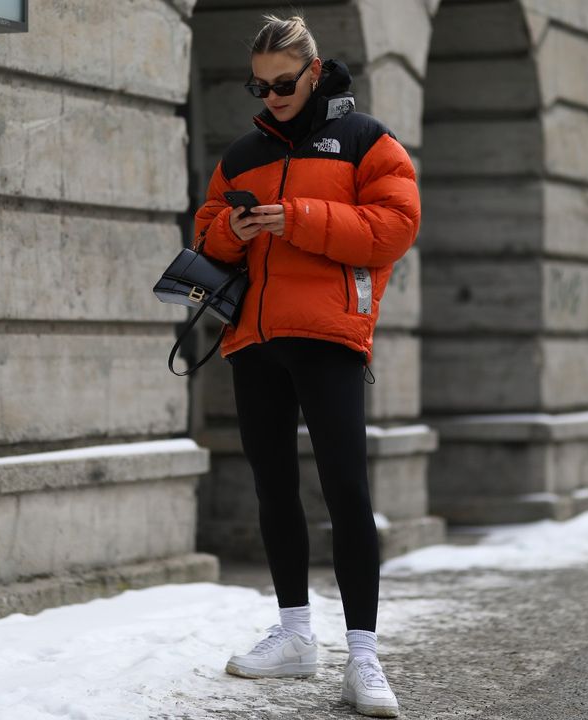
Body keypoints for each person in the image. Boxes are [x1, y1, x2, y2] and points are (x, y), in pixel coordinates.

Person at [191, 13, 420, 720]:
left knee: (347, 489)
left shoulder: (367, 140)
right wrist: (232, 228)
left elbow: (393, 229)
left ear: (315, 72)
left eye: (283, 84)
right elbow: (204, 232)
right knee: (273, 490)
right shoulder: (240, 154)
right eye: (258, 87)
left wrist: (299, 218)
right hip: (254, 340)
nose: (271, 98)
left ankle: (363, 658)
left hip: (328, 337)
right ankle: (293, 634)